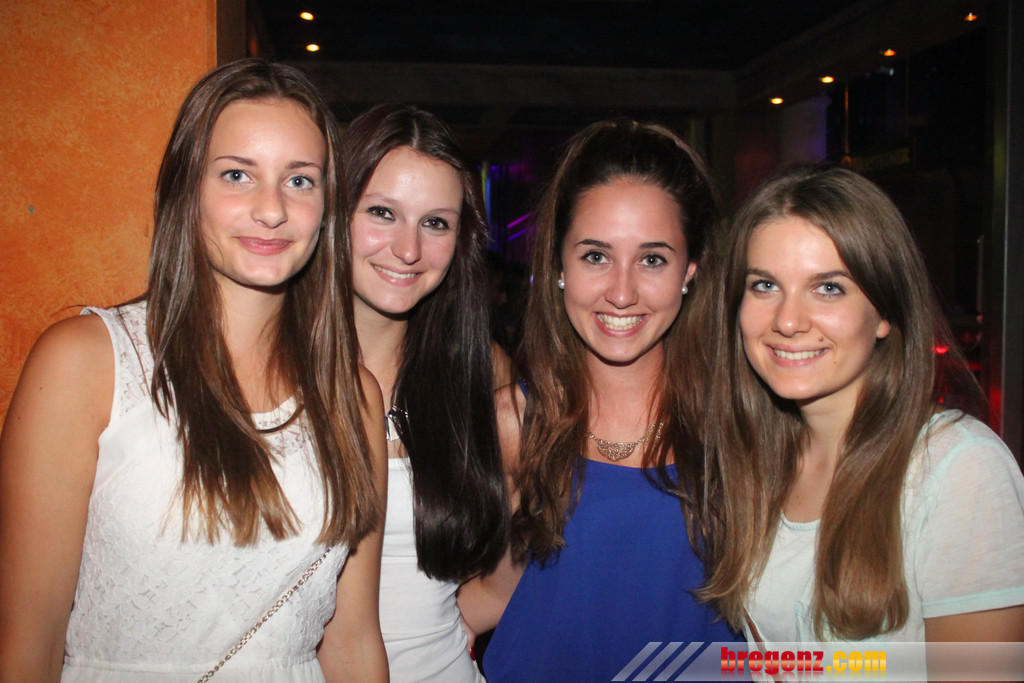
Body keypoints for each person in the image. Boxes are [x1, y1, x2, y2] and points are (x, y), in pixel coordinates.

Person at [0, 59, 388, 682]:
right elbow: (27, 646)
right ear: (186, 188)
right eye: (237, 174)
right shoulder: (87, 364)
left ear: (327, 207)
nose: (272, 209)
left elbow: (354, 641)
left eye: (300, 180)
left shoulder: (353, 397)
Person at [700, 164, 1024, 659]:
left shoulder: (957, 469)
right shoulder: (758, 463)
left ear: (885, 312)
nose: (787, 320)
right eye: (764, 286)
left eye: (828, 288)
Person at [473, 119, 737, 682]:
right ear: (558, 266)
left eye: (652, 259)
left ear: (690, 271)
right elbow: (497, 590)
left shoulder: (743, 423)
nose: (621, 291)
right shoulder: (514, 420)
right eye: (596, 256)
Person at [337, 103, 509, 682]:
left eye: (436, 223)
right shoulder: (271, 372)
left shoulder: (480, 371)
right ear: (334, 213)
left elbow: (538, 522)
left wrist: (475, 609)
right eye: (382, 212)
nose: (408, 249)